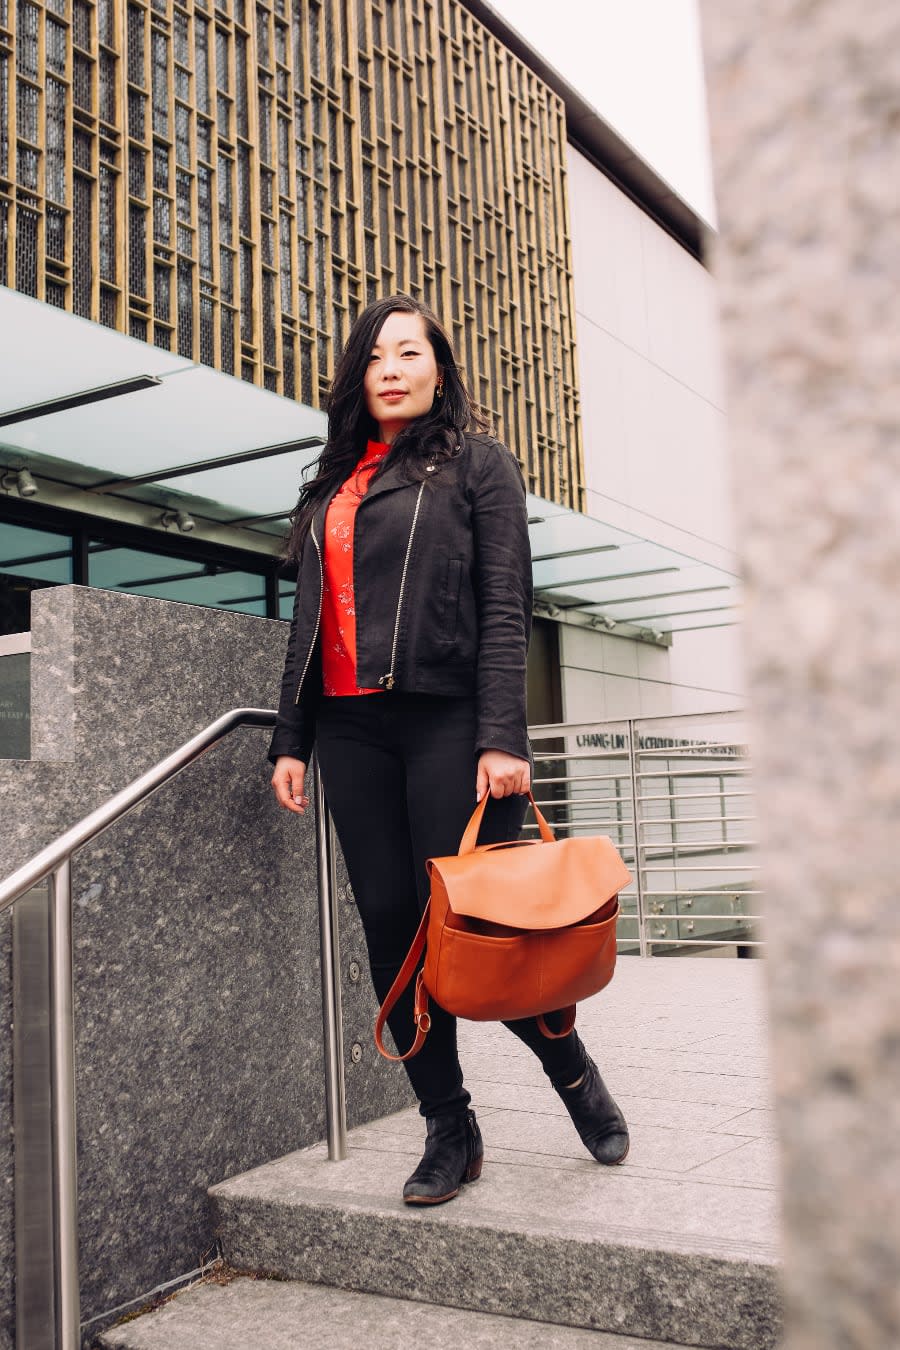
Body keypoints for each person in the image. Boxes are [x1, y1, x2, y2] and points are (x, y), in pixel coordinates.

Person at [269, 294, 628, 1204]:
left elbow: (507, 604)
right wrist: (292, 737)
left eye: (409, 353)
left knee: (489, 929)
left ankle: (572, 1071)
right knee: (393, 933)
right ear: (359, 376)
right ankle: (449, 1126)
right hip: (351, 732)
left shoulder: (476, 466)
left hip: (449, 725)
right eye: (375, 356)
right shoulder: (330, 488)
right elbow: (307, 625)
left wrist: (502, 734)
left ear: (438, 369)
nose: (391, 369)